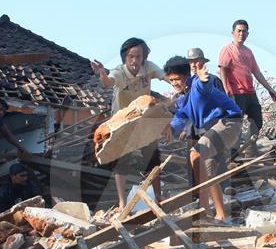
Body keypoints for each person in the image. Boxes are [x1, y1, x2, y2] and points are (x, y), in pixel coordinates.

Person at [165, 56, 243, 223]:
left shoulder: (196, 85)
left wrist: (202, 78)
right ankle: (219, 215)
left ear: (187, 75)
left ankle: (204, 209)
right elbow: (180, 118)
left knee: (195, 154)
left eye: (178, 79)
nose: (174, 83)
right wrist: (170, 129)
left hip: (229, 122)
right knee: (208, 172)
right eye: (171, 80)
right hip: (214, 129)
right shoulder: (181, 99)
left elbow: (204, 86)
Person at [90, 37, 164, 210]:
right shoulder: (119, 72)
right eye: (131, 56)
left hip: (142, 119)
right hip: (121, 123)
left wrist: (176, 82)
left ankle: (159, 197)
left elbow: (164, 75)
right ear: (125, 57)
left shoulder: (149, 67)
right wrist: (101, 73)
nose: (134, 60)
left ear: (143, 57)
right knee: (122, 162)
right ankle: (123, 203)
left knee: (153, 157)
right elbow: (108, 82)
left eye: (138, 56)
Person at [218, 19, 276, 141]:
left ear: (247, 34)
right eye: (239, 31)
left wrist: (270, 89)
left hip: (250, 92)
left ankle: (250, 146)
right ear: (233, 33)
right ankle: (233, 152)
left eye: (244, 31)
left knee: (257, 119)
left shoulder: (248, 51)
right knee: (235, 122)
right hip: (236, 92)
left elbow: (256, 72)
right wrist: (226, 88)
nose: (241, 33)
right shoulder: (228, 49)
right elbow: (223, 69)